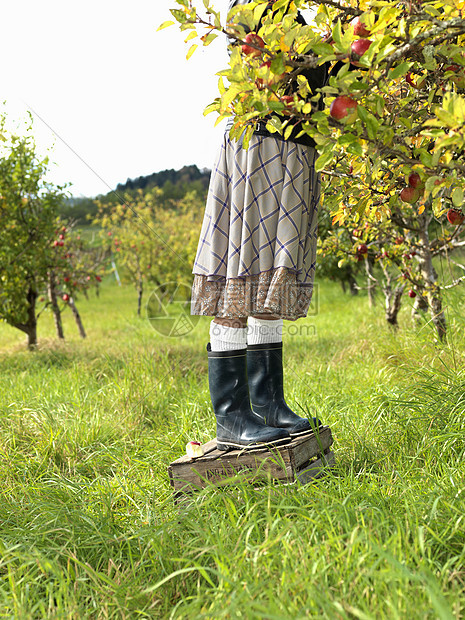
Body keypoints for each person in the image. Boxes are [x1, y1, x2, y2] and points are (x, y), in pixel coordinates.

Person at [190, 0, 327, 451]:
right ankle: (231, 417)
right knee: (240, 273)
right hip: (262, 148)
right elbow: (255, 57)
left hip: (294, 151)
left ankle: (267, 405)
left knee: (272, 277)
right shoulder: (255, 7)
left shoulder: (315, 16)